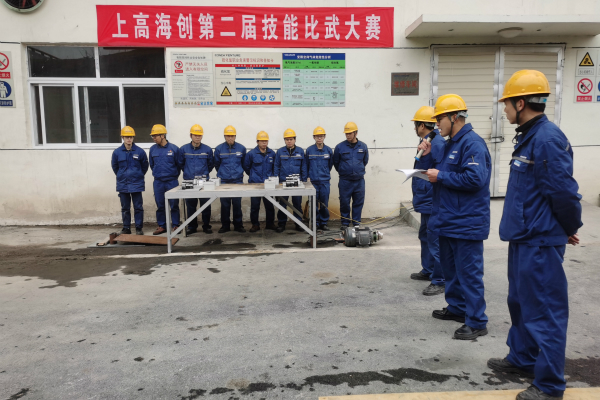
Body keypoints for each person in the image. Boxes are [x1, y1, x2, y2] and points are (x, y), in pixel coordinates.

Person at [487, 70, 583, 400]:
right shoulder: (530, 137)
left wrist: (568, 227)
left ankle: (549, 385)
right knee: (520, 303)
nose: (504, 110)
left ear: (521, 103)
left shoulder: (547, 140)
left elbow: (564, 193)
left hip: (540, 241)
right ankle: (523, 358)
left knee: (545, 313)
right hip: (524, 236)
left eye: (507, 104)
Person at [418, 94, 491, 340]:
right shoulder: (451, 143)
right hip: (448, 219)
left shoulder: (473, 144)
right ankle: (458, 308)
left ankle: (477, 321)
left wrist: (441, 176)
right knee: (451, 270)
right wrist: (427, 155)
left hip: (466, 221)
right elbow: (440, 171)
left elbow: (475, 179)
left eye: (439, 119)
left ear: (454, 117)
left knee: (469, 273)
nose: (436, 124)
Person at [409, 107, 446, 296]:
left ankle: (440, 279)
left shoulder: (437, 143)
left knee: (434, 239)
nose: (415, 128)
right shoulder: (427, 141)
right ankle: (428, 269)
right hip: (425, 198)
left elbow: (440, 171)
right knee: (424, 235)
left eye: (416, 124)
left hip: (432, 198)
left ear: (422, 125)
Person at [110, 126, 148, 235]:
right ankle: (126, 228)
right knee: (125, 208)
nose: (129, 139)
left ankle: (139, 228)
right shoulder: (117, 152)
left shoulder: (140, 152)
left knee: (138, 207)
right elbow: (115, 167)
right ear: (122, 137)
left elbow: (144, 166)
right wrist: (122, 176)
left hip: (137, 183)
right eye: (127, 137)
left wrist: (137, 175)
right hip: (123, 184)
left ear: (133, 137)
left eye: (131, 137)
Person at [178, 124, 214, 235]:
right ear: (191, 136)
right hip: (189, 181)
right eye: (195, 135)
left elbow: (210, 165)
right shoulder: (183, 149)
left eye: (199, 135)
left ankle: (206, 226)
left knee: (206, 205)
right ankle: (192, 226)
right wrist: (188, 173)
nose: (197, 137)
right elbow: (181, 164)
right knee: (190, 206)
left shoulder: (207, 149)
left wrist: (203, 175)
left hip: (204, 182)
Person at [333, 122, 369, 229]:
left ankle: (356, 223)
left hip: (359, 180)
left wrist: (357, 170)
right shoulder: (339, 147)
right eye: (346, 133)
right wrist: (344, 171)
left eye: (350, 133)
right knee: (344, 202)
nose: (347, 135)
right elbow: (336, 162)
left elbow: (365, 161)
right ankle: (345, 223)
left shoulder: (363, 146)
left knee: (358, 202)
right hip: (345, 181)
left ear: (356, 133)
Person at [149, 124, 181, 235]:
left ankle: (176, 225)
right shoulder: (152, 149)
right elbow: (152, 165)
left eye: (155, 136)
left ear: (163, 135)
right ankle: (162, 226)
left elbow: (179, 165)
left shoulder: (174, 149)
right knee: (160, 204)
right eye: (152, 136)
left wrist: (173, 175)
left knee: (174, 204)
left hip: (172, 181)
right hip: (158, 182)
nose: (153, 138)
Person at [214, 125, 247, 233]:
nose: (230, 138)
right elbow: (216, 164)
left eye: (232, 136)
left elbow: (244, 163)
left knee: (237, 204)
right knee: (225, 204)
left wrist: (239, 172)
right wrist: (223, 173)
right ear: (224, 136)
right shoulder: (219, 149)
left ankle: (238, 225)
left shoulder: (241, 148)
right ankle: (225, 226)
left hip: (237, 180)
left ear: (235, 136)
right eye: (228, 136)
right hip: (224, 181)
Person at [274, 128, 307, 232]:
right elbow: (276, 166)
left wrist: (304, 181)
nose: (289, 141)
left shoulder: (300, 151)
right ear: (284, 140)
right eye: (287, 139)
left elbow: (303, 167)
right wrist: (276, 181)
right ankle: (281, 223)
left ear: (295, 140)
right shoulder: (280, 151)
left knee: (297, 203)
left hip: (297, 183)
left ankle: (298, 223)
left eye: (291, 139)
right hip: (283, 183)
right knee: (282, 204)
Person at [243, 131, 277, 232]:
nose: (264, 143)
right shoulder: (251, 154)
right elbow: (246, 167)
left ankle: (270, 224)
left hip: (268, 184)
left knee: (269, 205)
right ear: (257, 142)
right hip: (255, 184)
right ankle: (255, 225)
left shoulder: (272, 153)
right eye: (262, 141)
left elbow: (274, 167)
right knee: (255, 206)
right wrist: (253, 176)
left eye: (266, 141)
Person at [305, 126, 334, 231]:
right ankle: (315, 223)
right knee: (313, 204)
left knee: (324, 203)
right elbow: (306, 165)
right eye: (317, 136)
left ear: (324, 137)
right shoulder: (309, 150)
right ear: (314, 137)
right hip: (313, 182)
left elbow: (330, 165)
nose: (319, 138)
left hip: (325, 181)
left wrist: (324, 173)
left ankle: (323, 223)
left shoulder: (329, 150)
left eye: (321, 136)